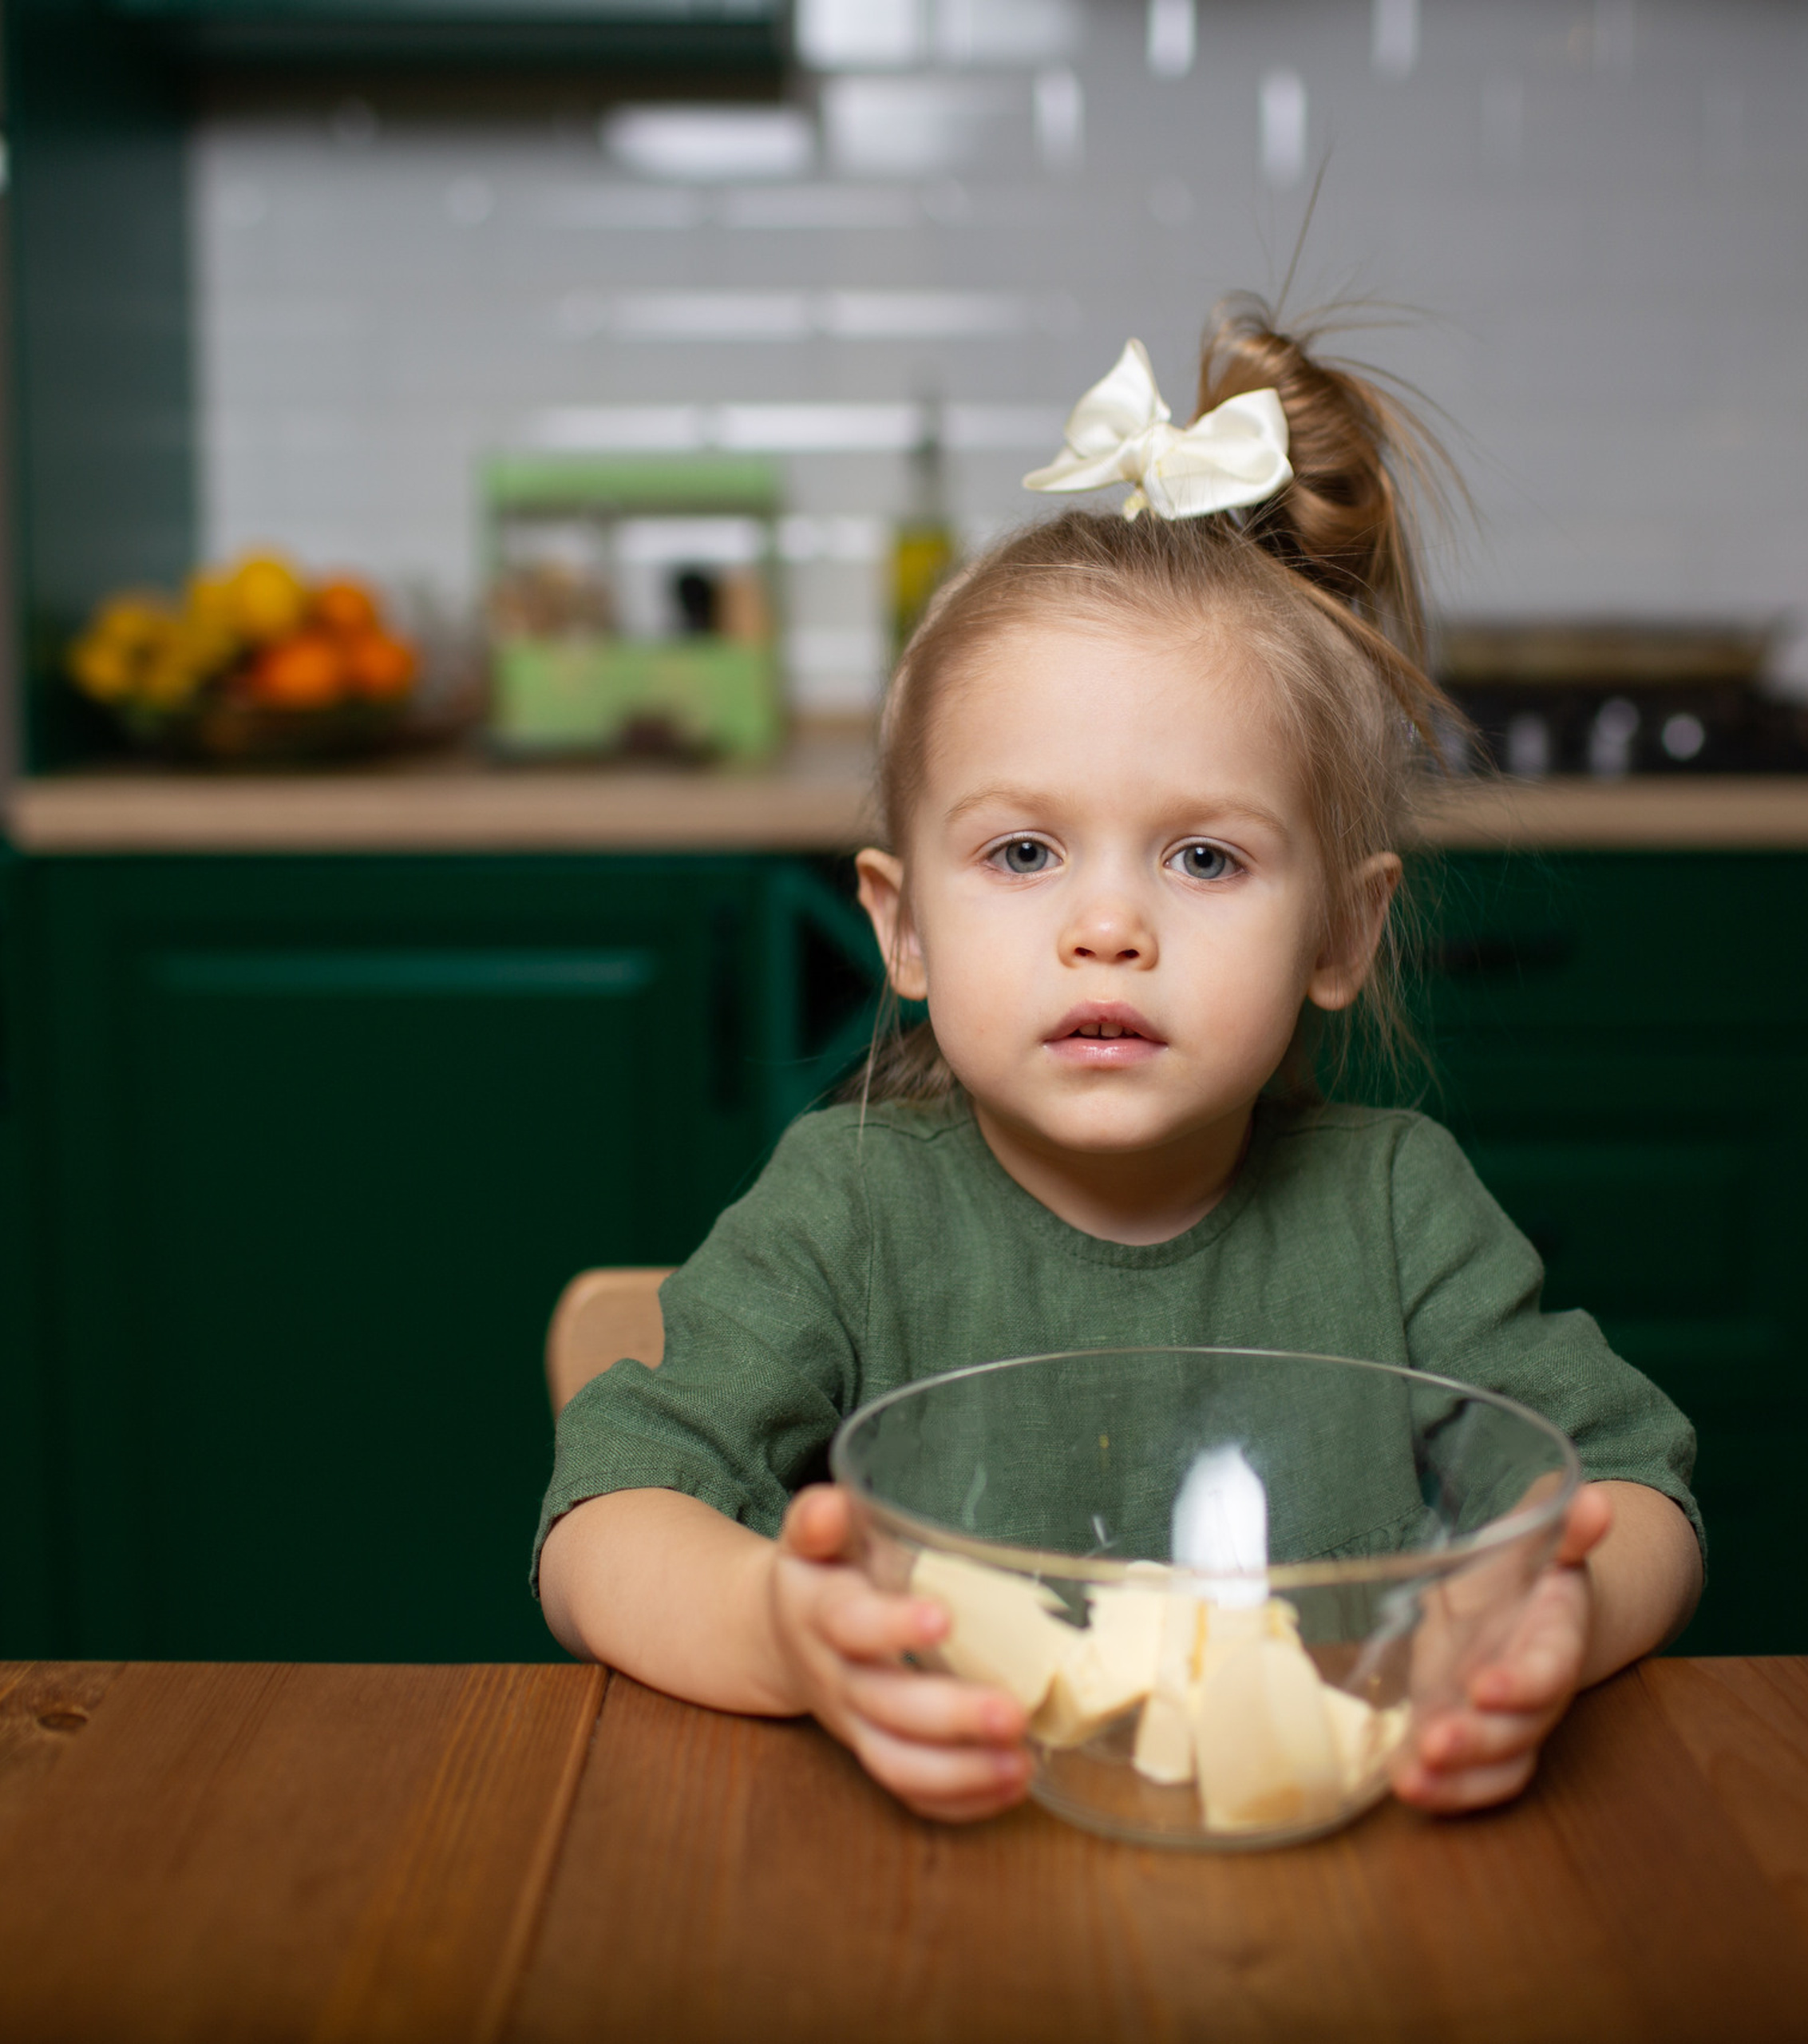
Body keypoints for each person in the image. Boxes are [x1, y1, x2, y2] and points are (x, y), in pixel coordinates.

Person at [536, 300, 1704, 1824]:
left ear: (1340, 938)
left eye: (1205, 858)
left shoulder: (1403, 1206)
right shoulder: (850, 1207)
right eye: (1023, 851)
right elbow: (601, 1523)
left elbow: (1639, 1496)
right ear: (904, 929)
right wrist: (785, 1635)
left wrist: (1556, 1621)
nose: (1107, 927)